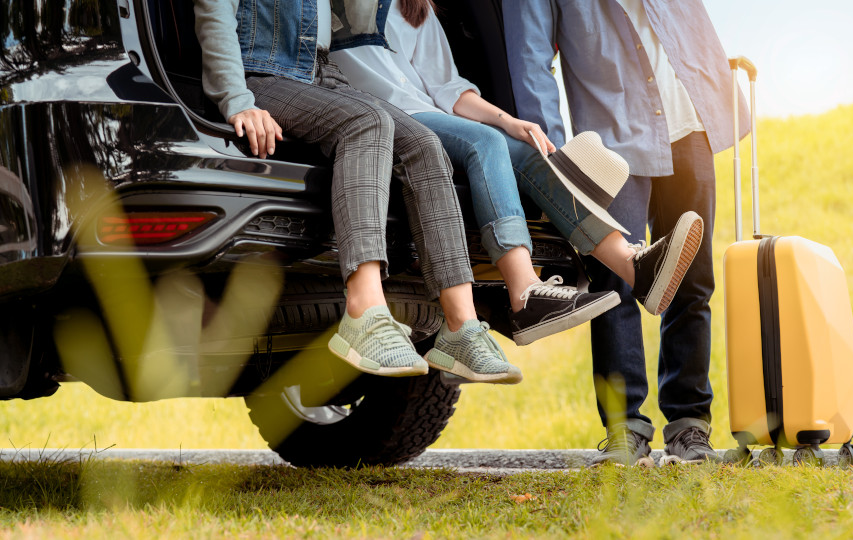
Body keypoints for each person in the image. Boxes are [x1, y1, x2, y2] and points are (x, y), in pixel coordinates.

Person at [329, 0, 704, 353]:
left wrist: (509, 120)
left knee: (526, 147)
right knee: (485, 143)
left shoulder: (414, 5)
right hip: (374, 116)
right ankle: (524, 293)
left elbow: (447, 86)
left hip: (428, 115)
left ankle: (633, 265)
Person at [193, 0, 520, 384]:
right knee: (368, 122)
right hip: (263, 73)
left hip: (323, 75)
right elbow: (214, 14)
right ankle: (364, 309)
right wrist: (237, 101)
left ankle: (461, 328)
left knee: (425, 145)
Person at [504, 0, 751, 465]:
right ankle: (626, 430)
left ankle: (690, 425)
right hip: (612, 138)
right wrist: (558, 157)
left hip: (690, 124)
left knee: (692, 281)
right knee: (613, 284)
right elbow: (530, 59)